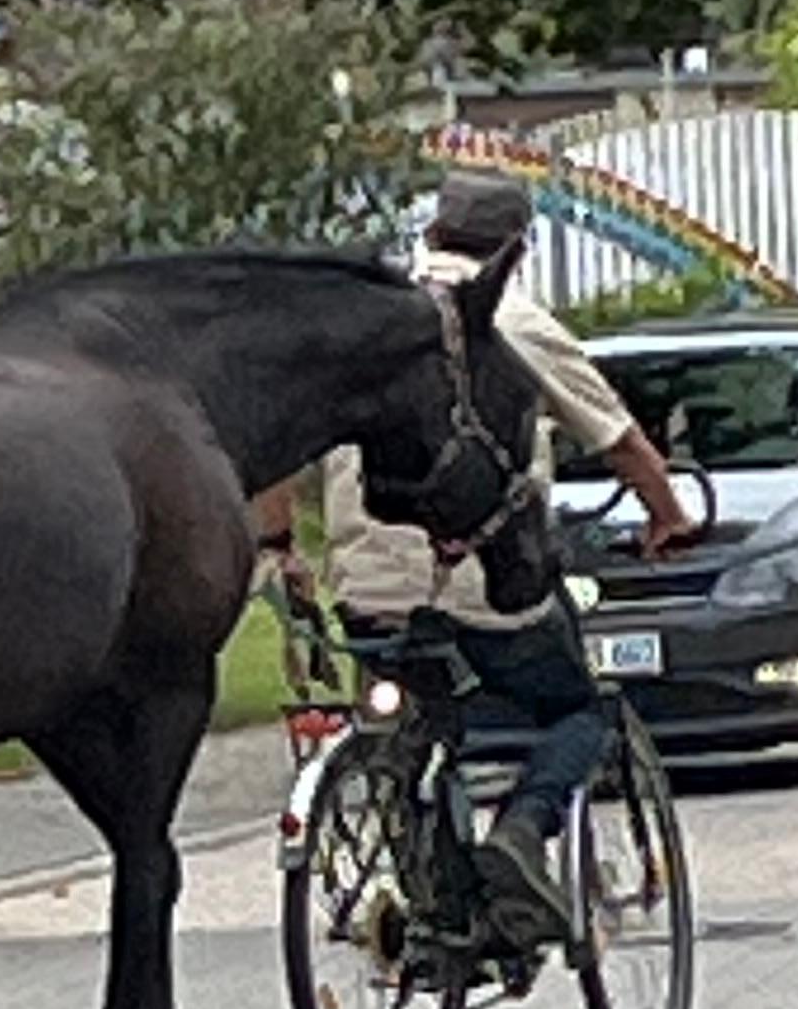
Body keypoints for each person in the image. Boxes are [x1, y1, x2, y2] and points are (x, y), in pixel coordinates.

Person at [263, 173, 696, 946]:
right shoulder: (512, 322)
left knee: (409, 736)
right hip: (486, 585)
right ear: (517, 250)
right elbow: (621, 441)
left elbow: (275, 457)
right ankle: (521, 836)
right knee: (577, 709)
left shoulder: (368, 331)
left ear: (430, 236)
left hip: (372, 590)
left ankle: (436, 909)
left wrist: (281, 548)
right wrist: (669, 516)